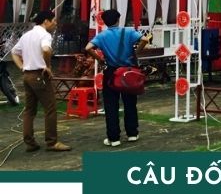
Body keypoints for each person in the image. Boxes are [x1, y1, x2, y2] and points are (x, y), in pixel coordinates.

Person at [85, 9, 150, 147]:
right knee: (130, 103)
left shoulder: (102, 36)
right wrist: (136, 53)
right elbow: (145, 39)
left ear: (105, 22)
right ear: (118, 20)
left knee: (111, 105)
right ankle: (132, 134)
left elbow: (88, 48)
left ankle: (114, 138)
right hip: (128, 72)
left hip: (111, 72)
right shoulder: (128, 31)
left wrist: (99, 59)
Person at [10, 10, 70, 152]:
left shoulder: (26, 35)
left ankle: (30, 142)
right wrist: (48, 66)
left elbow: (14, 52)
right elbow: (46, 50)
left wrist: (22, 67)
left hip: (27, 75)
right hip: (39, 75)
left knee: (29, 110)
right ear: (46, 21)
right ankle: (52, 142)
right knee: (50, 108)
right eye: (53, 20)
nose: (55, 23)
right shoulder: (45, 35)